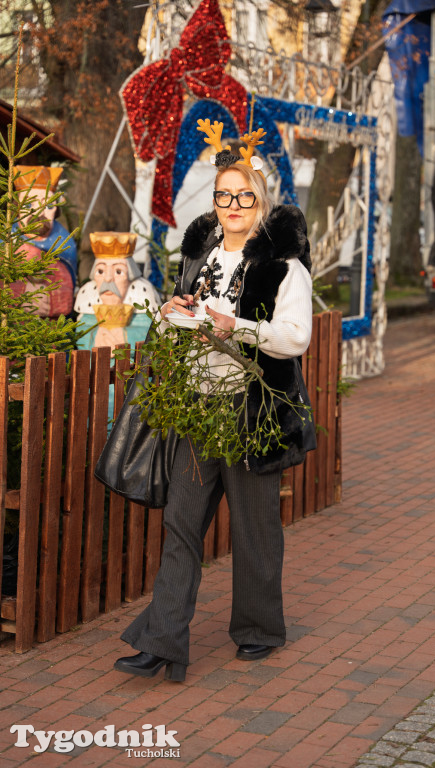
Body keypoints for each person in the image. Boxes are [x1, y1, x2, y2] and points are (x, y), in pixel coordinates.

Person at [114, 119, 315, 683]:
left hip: (252, 414)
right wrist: (178, 318)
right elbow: (189, 323)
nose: (232, 205)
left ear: (260, 204)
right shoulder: (200, 259)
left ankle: (258, 630)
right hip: (199, 410)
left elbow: (295, 337)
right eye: (223, 195)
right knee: (181, 526)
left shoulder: (283, 268)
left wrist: (241, 327)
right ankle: (161, 642)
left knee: (255, 531)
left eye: (243, 197)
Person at [74, 231, 160, 352]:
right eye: (100, 271)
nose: (108, 278)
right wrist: (96, 337)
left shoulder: (141, 295)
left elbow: (149, 332)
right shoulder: (88, 296)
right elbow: (81, 333)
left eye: (118, 271)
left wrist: (124, 336)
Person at [11, 166, 77, 317]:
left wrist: (50, 299)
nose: (39, 213)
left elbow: (67, 292)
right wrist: (21, 295)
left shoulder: (63, 243)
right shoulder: (7, 240)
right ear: (17, 208)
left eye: (48, 205)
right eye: (29, 205)